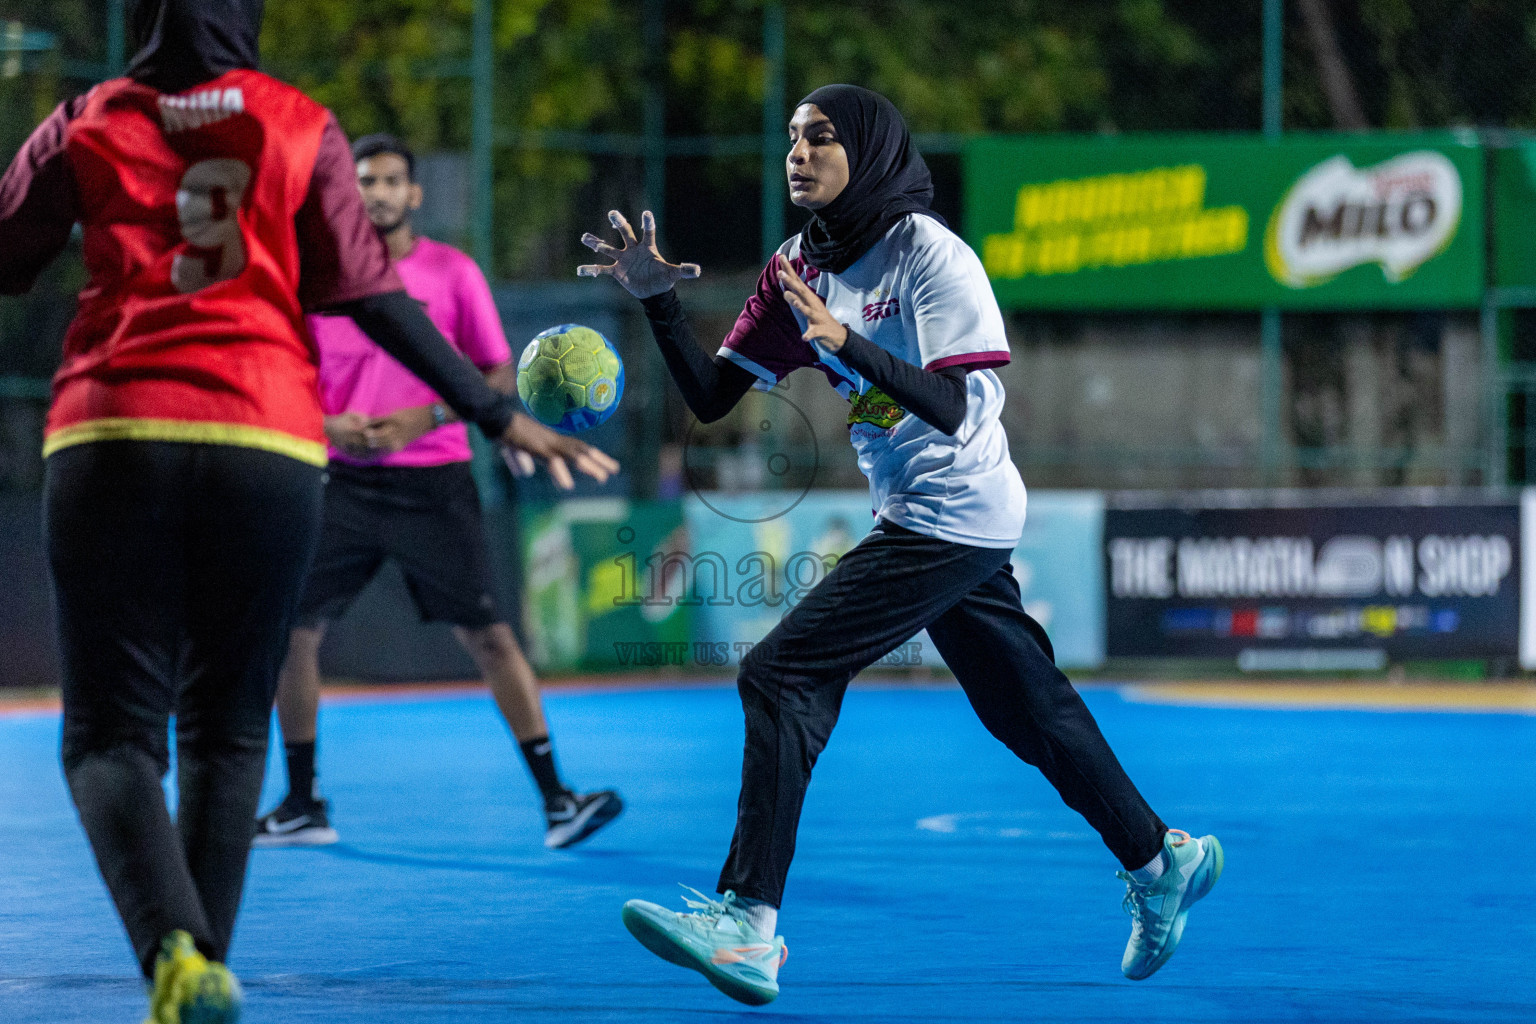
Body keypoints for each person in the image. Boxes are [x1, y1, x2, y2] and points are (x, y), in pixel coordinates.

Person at [0, 3, 617, 1022]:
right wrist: (497, 414)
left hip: (112, 431)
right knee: (229, 731)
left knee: (110, 738)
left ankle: (172, 956)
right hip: (268, 438)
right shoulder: (299, 121)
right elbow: (374, 295)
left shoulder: (89, 117)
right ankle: (197, 971)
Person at [578, 84, 1221, 1006]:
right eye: (793, 139)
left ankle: (748, 924)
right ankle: (1163, 859)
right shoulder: (796, 265)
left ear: (870, 151)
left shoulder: (931, 255)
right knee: (1026, 711)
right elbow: (716, 398)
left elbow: (958, 408)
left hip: (952, 507)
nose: (799, 154)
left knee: (780, 672)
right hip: (918, 511)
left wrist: (847, 343)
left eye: (823, 138)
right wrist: (655, 305)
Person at [254, 133, 623, 851]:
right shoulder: (318, 279)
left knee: (490, 636)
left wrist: (425, 415)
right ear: (347, 191)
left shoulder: (453, 274)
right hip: (341, 483)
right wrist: (329, 422)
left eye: (393, 180)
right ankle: (302, 804)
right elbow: (286, 375)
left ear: (415, 195)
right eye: (366, 180)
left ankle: (558, 802)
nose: (379, 192)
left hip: (435, 482)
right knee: (290, 632)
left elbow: (494, 375)